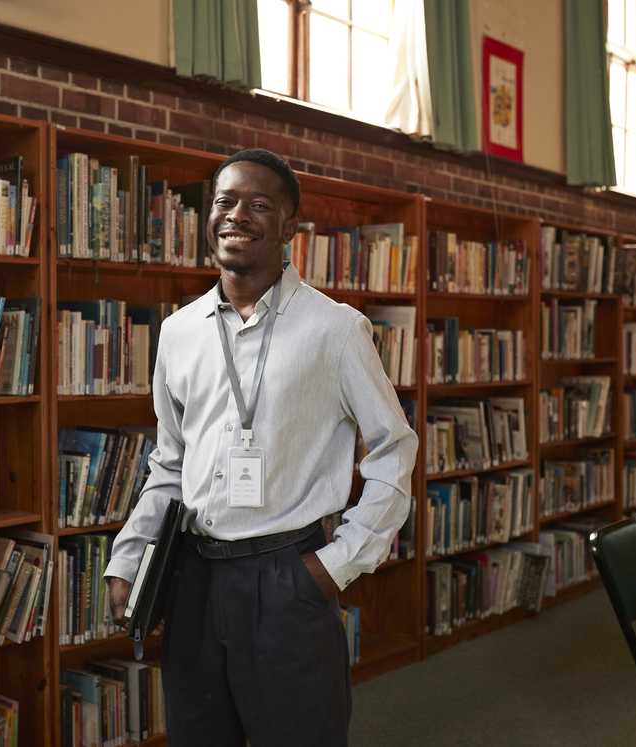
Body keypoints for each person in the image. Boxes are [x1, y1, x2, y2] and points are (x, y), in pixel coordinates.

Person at [103, 148, 418, 747]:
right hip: (191, 578)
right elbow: (170, 462)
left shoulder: (336, 329)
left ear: (289, 226)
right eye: (224, 201)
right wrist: (129, 554)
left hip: (287, 578)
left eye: (258, 204)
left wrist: (336, 565)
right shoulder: (178, 332)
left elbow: (393, 450)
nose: (235, 215)